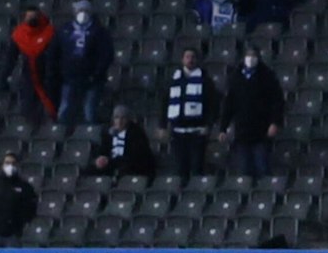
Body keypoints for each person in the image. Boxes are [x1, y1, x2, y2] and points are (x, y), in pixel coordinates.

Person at [47, 0, 114, 130]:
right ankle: (60, 133)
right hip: (69, 77)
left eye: (86, 10)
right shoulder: (65, 30)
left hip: (92, 79)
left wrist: (96, 74)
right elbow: (54, 51)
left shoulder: (100, 32)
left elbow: (106, 55)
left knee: (89, 109)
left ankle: (90, 133)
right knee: (65, 108)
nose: (83, 13)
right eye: (80, 10)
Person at [219, 47, 285, 178]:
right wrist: (223, 128)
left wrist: (275, 122)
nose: (251, 58)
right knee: (244, 170)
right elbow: (228, 105)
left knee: (262, 168)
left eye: (254, 55)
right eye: (248, 55)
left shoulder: (267, 76)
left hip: (262, 130)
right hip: (242, 131)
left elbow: (277, 102)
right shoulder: (235, 77)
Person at [162, 48, 219, 182]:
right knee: (180, 169)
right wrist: (162, 125)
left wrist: (209, 124)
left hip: (197, 132)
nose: (190, 60)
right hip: (177, 133)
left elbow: (213, 105)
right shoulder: (173, 80)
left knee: (197, 168)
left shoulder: (205, 81)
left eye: (193, 57)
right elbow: (164, 103)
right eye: (187, 57)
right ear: (182, 59)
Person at [4, 6, 58, 126]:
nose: (31, 18)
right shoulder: (19, 34)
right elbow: (11, 57)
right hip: (29, 76)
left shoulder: (49, 32)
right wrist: (5, 76)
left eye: (34, 16)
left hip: (48, 75)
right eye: (29, 16)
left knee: (51, 105)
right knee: (28, 106)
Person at [83, 105, 157, 179]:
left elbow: (135, 156)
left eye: (123, 118)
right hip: (112, 163)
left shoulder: (136, 133)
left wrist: (112, 161)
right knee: (90, 170)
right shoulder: (108, 133)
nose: (119, 121)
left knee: (123, 170)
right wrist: (101, 158)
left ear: (128, 119)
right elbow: (103, 149)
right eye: (116, 118)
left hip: (132, 165)